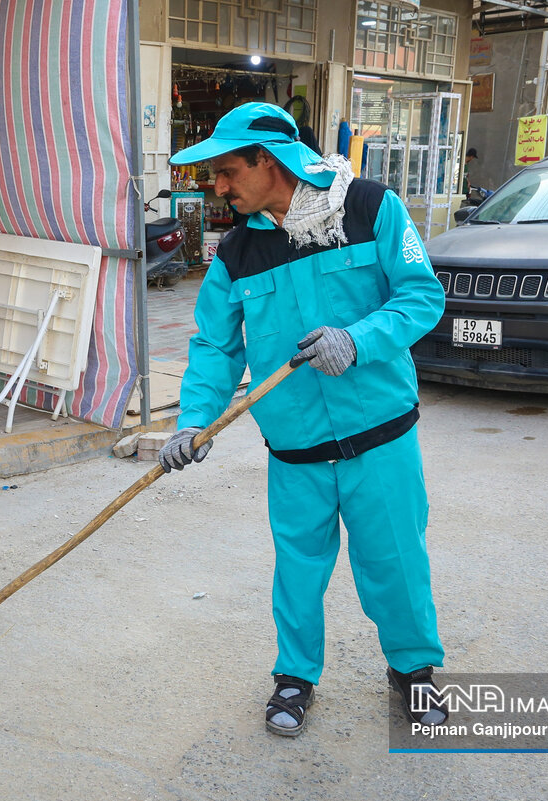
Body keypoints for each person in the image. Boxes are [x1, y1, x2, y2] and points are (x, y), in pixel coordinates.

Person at [159, 102, 449, 737]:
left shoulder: (370, 208)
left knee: (395, 560)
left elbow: (421, 295)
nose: (218, 187)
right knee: (297, 568)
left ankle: (414, 670)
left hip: (380, 436)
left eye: (227, 171)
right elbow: (215, 346)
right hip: (295, 447)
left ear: (269, 160)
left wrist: (358, 339)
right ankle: (294, 676)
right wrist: (192, 421)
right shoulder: (235, 252)